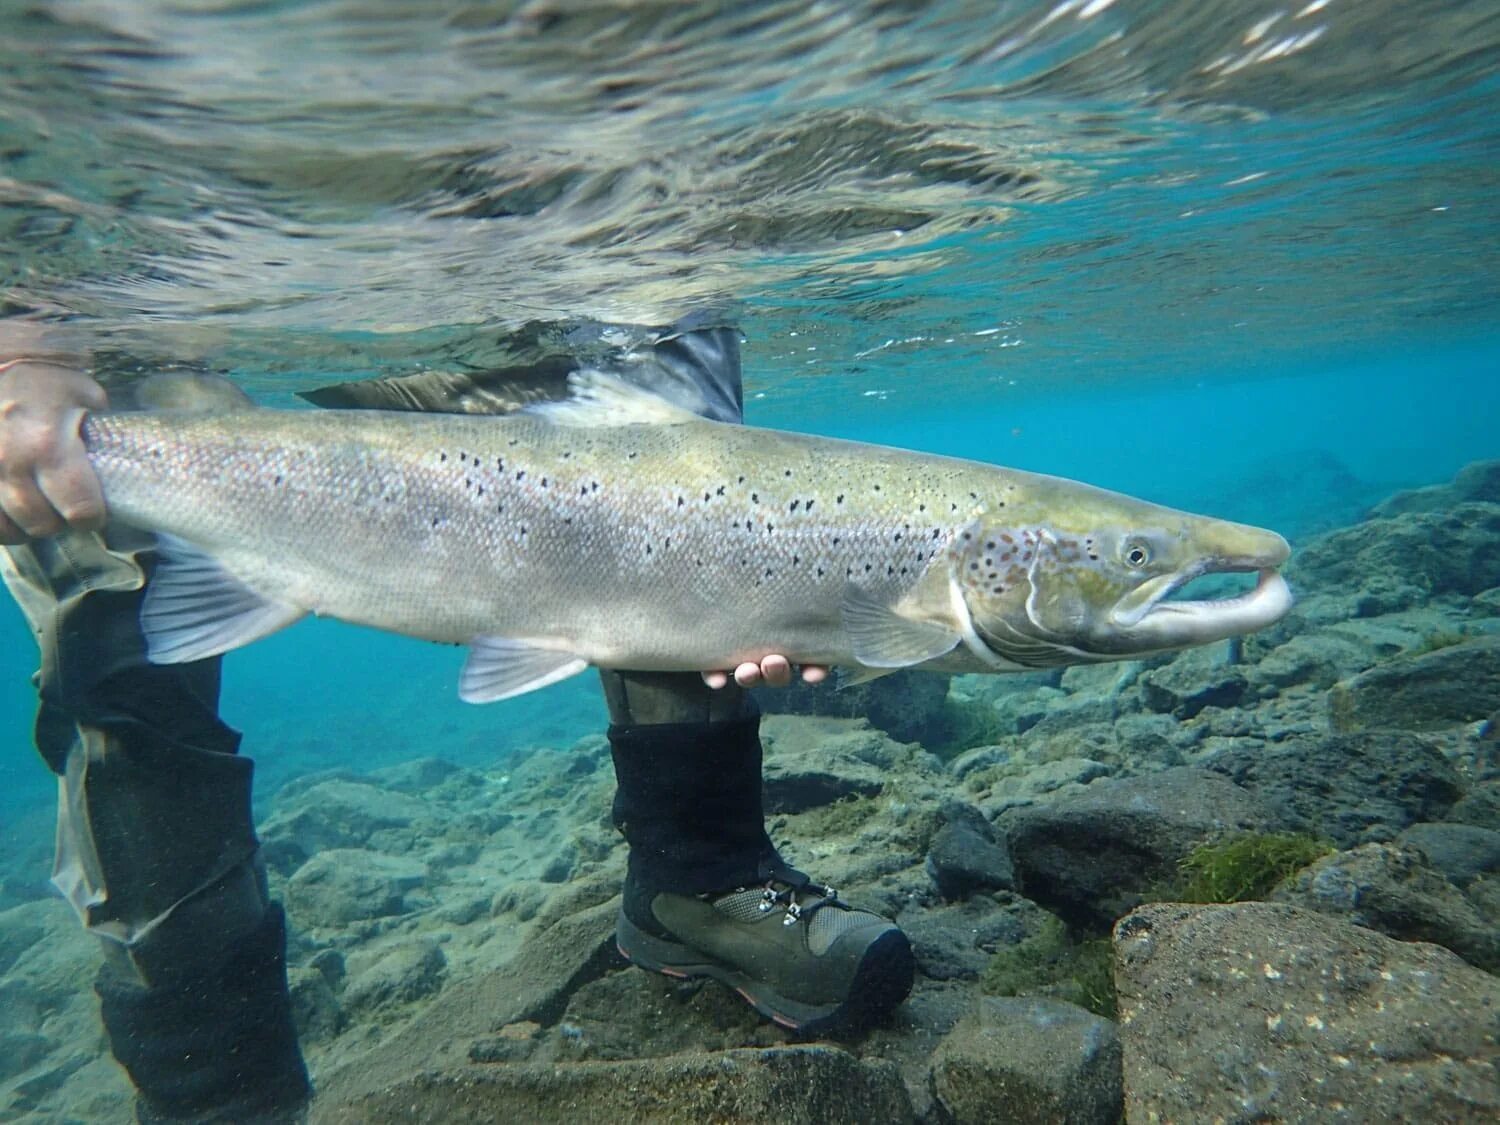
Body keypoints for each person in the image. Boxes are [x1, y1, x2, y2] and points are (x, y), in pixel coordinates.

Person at [0, 318, 915, 1123]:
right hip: (117, 273)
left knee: (669, 486)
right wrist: (25, 344)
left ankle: (699, 882)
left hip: (491, 233)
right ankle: (215, 1092)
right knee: (112, 660)